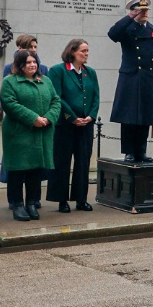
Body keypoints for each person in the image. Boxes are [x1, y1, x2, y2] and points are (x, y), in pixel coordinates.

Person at [0, 49, 61, 222]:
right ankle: (18, 204)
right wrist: (33, 118)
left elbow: (56, 100)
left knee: (36, 170)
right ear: (19, 65)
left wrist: (49, 118)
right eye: (28, 62)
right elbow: (9, 104)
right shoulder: (10, 82)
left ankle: (31, 204)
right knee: (18, 170)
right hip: (19, 134)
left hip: (42, 133)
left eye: (34, 62)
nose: (33, 65)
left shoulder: (46, 81)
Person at [107, 0, 153, 163]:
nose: (145, 13)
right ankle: (129, 151)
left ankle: (141, 151)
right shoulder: (127, 28)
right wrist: (129, 17)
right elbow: (112, 33)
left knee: (145, 116)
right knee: (129, 116)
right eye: (141, 11)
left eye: (146, 11)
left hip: (148, 78)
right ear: (134, 12)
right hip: (131, 77)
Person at [46, 39, 99, 213]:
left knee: (83, 162)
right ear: (72, 51)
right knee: (62, 161)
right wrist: (72, 117)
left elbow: (95, 97)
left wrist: (91, 116)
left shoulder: (90, 72)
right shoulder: (58, 71)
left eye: (87, 51)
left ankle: (81, 199)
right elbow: (57, 97)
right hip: (65, 124)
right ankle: (62, 200)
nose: (86, 54)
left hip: (86, 125)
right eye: (83, 51)